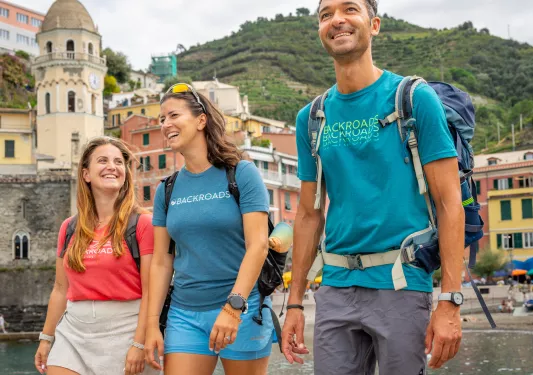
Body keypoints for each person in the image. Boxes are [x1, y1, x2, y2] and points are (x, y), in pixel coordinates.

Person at [281, 1, 465, 374]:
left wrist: (450, 299)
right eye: (325, 14)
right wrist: (295, 304)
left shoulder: (413, 98)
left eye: (350, 9)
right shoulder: (311, 118)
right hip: (334, 287)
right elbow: (307, 214)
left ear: (375, 24)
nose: (337, 20)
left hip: (400, 283)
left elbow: (449, 204)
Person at [144, 83, 273, 375]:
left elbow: (259, 245)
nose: (166, 124)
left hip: (242, 308)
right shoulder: (167, 189)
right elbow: (163, 261)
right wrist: (152, 324)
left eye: (173, 115)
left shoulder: (241, 173)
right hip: (183, 314)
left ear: (201, 120)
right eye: (162, 119)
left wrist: (233, 308)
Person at [34, 137, 158, 375]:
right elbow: (60, 288)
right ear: (86, 174)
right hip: (73, 332)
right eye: (103, 160)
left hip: (126, 330)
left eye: (118, 162)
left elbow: (151, 292)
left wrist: (139, 343)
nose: (112, 166)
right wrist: (46, 337)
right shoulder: (69, 228)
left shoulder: (143, 224)